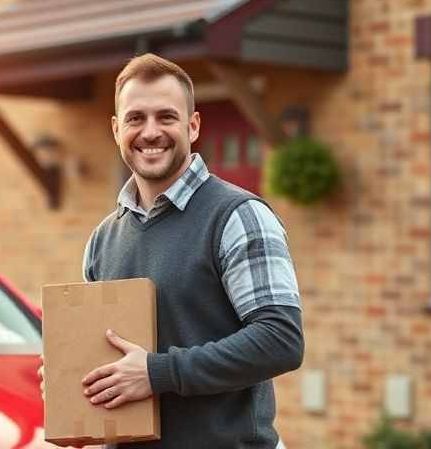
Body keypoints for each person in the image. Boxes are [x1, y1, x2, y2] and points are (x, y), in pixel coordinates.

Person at [39, 53, 304, 449]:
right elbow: (110, 365)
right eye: (135, 118)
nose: (150, 132)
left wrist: (157, 372)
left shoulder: (237, 217)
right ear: (116, 129)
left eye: (166, 117)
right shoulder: (103, 239)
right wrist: (70, 389)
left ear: (192, 126)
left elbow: (280, 340)